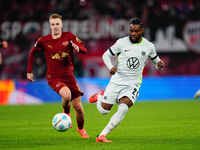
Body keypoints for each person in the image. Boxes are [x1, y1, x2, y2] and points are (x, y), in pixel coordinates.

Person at [89, 17, 165, 143]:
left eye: (136, 31)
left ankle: (102, 136)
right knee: (103, 111)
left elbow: (156, 61)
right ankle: (99, 96)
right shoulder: (121, 43)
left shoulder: (149, 46)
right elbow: (106, 55)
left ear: (142, 31)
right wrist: (110, 67)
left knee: (123, 108)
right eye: (131, 31)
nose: (133, 34)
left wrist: (159, 65)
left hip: (133, 84)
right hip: (117, 80)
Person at [27, 13, 89, 138]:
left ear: (61, 25)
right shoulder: (43, 40)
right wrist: (29, 71)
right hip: (53, 77)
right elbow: (32, 53)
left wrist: (78, 49)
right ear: (50, 26)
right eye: (53, 24)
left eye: (57, 24)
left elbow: (84, 49)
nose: (55, 26)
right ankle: (66, 112)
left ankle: (81, 129)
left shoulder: (69, 37)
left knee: (79, 107)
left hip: (69, 76)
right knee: (66, 94)